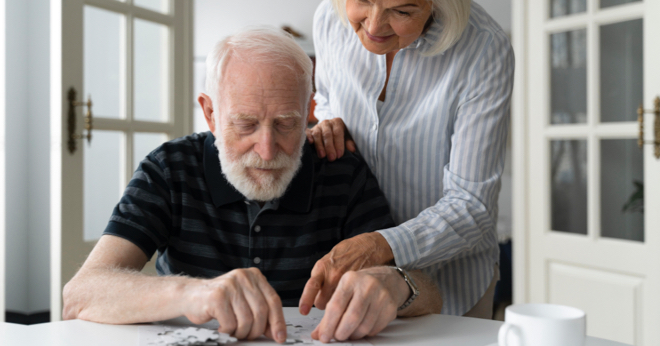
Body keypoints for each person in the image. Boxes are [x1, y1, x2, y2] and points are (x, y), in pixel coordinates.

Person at [62, 27, 442, 344]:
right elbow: (81, 294)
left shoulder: (342, 173)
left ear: (310, 108)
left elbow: (429, 291)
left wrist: (396, 285)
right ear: (210, 113)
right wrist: (194, 292)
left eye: (286, 124)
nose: (266, 149)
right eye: (245, 125)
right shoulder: (169, 168)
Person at [301, 0, 515, 328]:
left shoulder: (484, 48)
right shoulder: (329, 18)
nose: (373, 26)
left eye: (401, 11)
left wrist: (380, 244)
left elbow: (472, 205)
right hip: (354, 281)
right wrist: (330, 123)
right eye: (363, 1)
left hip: (452, 282)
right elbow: (327, 96)